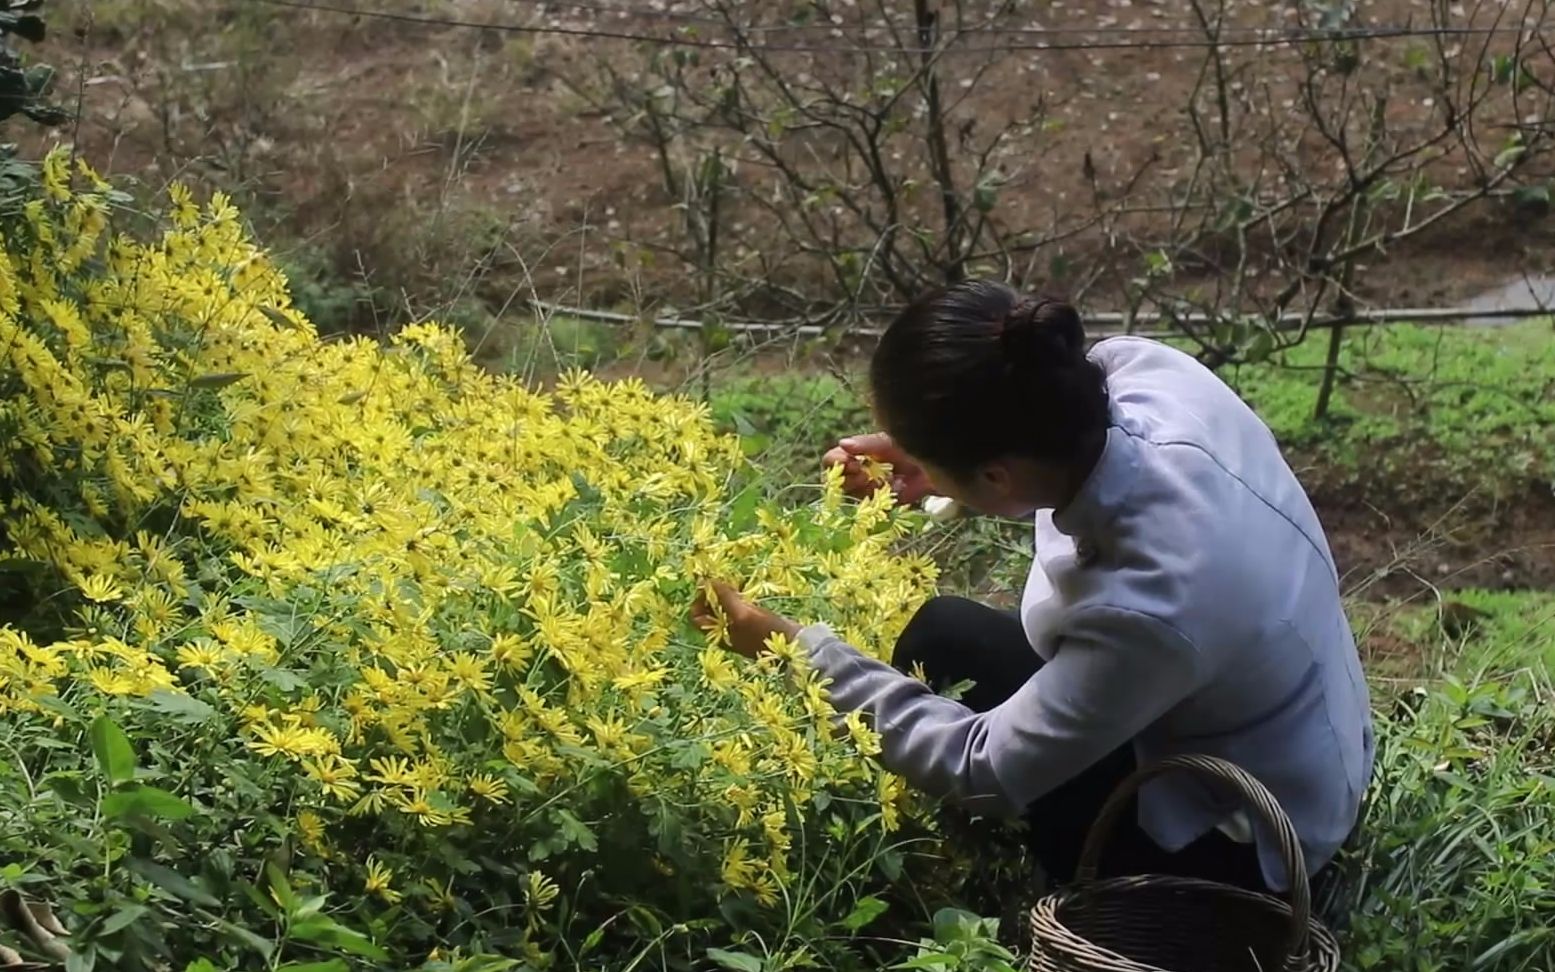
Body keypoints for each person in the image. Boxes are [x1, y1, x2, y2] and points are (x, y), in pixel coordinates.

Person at [692, 279, 1374, 893]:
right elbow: (1047, 468)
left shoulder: (1154, 602)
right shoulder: (1140, 373)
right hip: (1299, 729)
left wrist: (787, 647)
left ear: (996, 474)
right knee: (945, 636)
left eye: (927, 454)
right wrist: (938, 469)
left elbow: (979, 768)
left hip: (1247, 836)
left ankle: (1091, 890)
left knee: (982, 733)